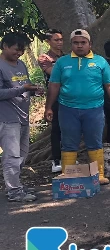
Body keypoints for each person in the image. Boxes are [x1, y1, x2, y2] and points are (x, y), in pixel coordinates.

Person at [44, 29, 110, 185]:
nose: (79, 46)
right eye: (76, 43)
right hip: (67, 109)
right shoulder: (62, 62)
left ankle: (98, 175)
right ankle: (68, 175)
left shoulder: (100, 62)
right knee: (68, 143)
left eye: (83, 43)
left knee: (94, 141)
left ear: (90, 44)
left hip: (94, 109)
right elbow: (54, 85)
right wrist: (49, 107)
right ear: (71, 44)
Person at [0, 33, 41, 202]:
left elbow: (24, 86)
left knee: (22, 154)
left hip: (23, 117)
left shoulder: (21, 64)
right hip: (7, 118)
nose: (19, 53)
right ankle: (14, 192)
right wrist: (21, 89)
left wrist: (33, 90)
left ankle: (16, 185)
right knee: (12, 156)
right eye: (16, 50)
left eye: (22, 50)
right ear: (5, 46)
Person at [37, 29, 65, 172]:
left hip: (70, 97)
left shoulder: (67, 57)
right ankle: (56, 160)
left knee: (70, 128)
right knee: (57, 129)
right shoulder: (45, 58)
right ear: (48, 41)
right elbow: (53, 73)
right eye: (56, 40)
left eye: (61, 40)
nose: (59, 42)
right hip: (55, 98)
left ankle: (69, 157)